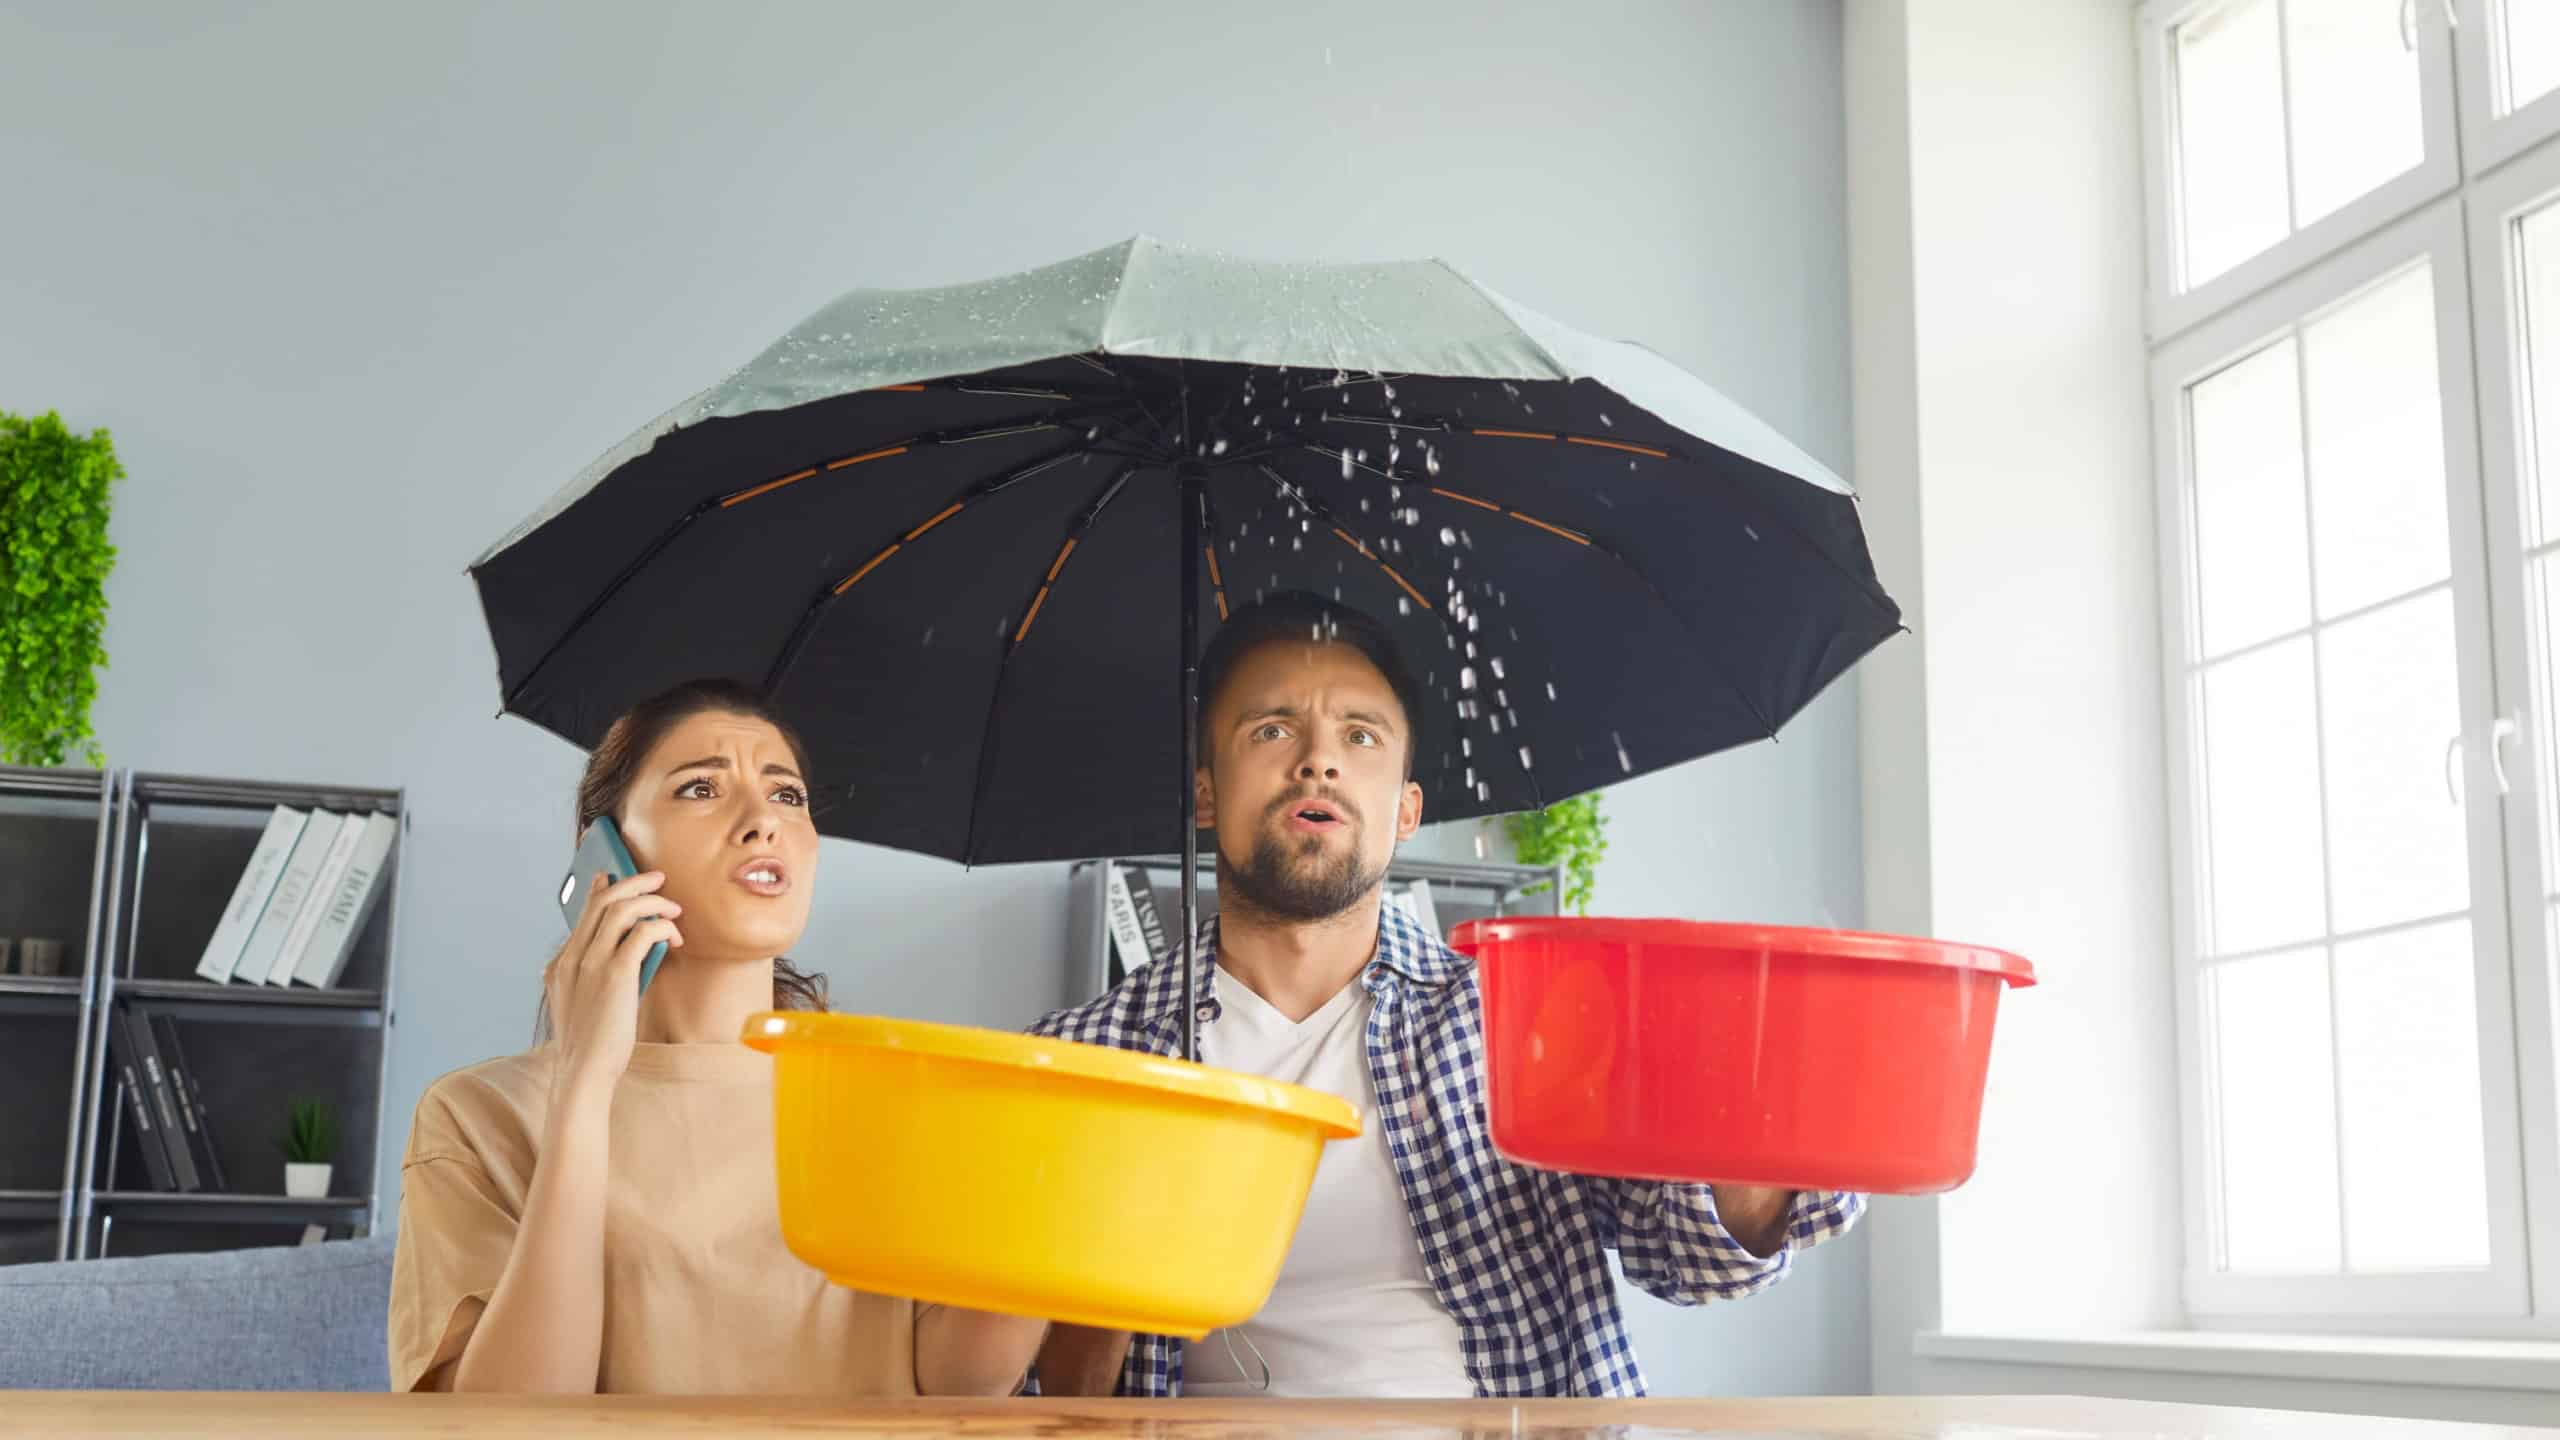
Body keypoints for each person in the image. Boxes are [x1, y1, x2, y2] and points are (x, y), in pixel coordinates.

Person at [1030, 593, 1864, 1399]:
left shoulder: (1529, 1024)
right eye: (1271, 729)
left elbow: (1694, 1256)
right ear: (1206, 792)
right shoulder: (1079, 1063)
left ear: (1405, 810)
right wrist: (1116, 1273)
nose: (1317, 759)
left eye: (1360, 736)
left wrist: (1748, 1103)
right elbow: (1040, 1386)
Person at [388, 678, 1047, 1395]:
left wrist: (1038, 1220)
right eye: (701, 789)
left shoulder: (899, 1100)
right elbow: (501, 1423)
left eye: (787, 795)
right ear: (602, 851)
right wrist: (583, 1082)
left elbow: (950, 1392)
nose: (762, 819)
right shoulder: (476, 1116)